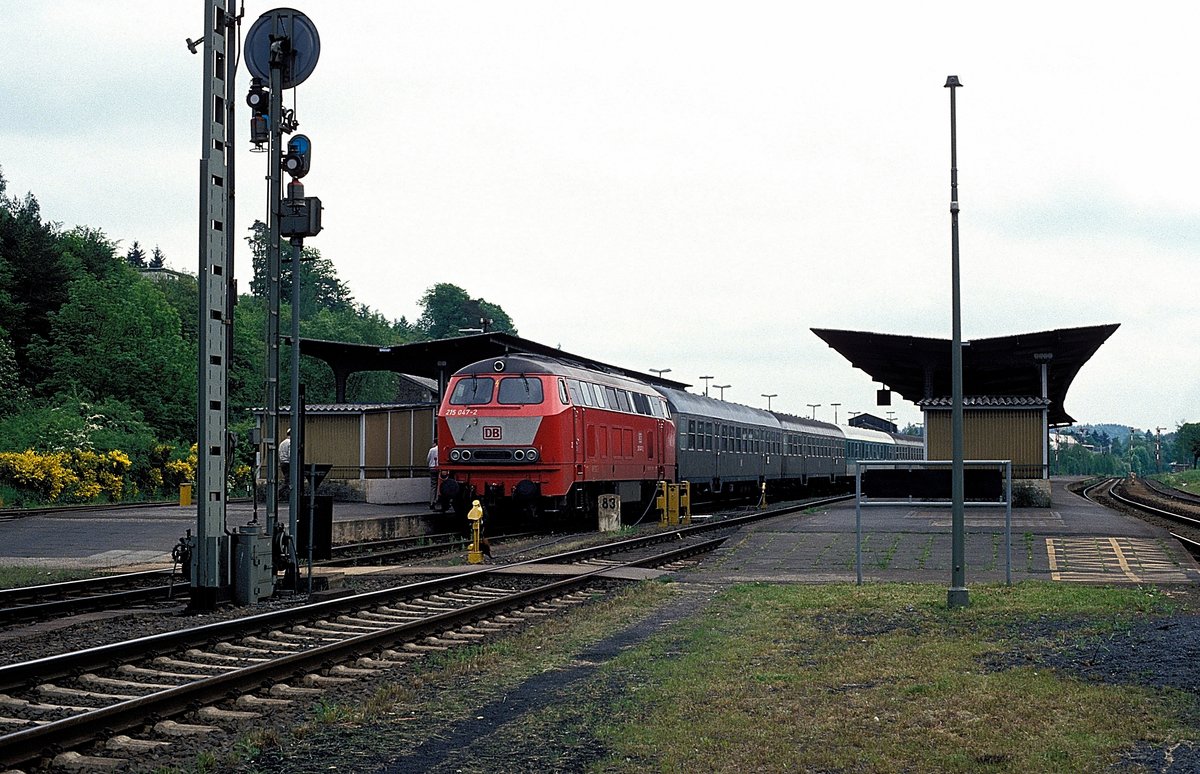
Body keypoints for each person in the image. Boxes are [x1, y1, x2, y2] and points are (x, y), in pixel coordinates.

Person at [278, 430, 292, 499]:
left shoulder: (282, 443)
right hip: (288, 463)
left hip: (282, 463)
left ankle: (282, 495)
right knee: (288, 481)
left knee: (287, 480)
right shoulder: (290, 443)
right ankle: (279, 493)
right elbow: (290, 455)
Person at [427, 442, 439, 509]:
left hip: (432, 468)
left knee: (433, 486)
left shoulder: (432, 450)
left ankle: (432, 502)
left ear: (435, 443)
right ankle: (437, 500)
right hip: (440, 469)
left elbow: (428, 459)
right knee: (440, 485)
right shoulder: (441, 449)